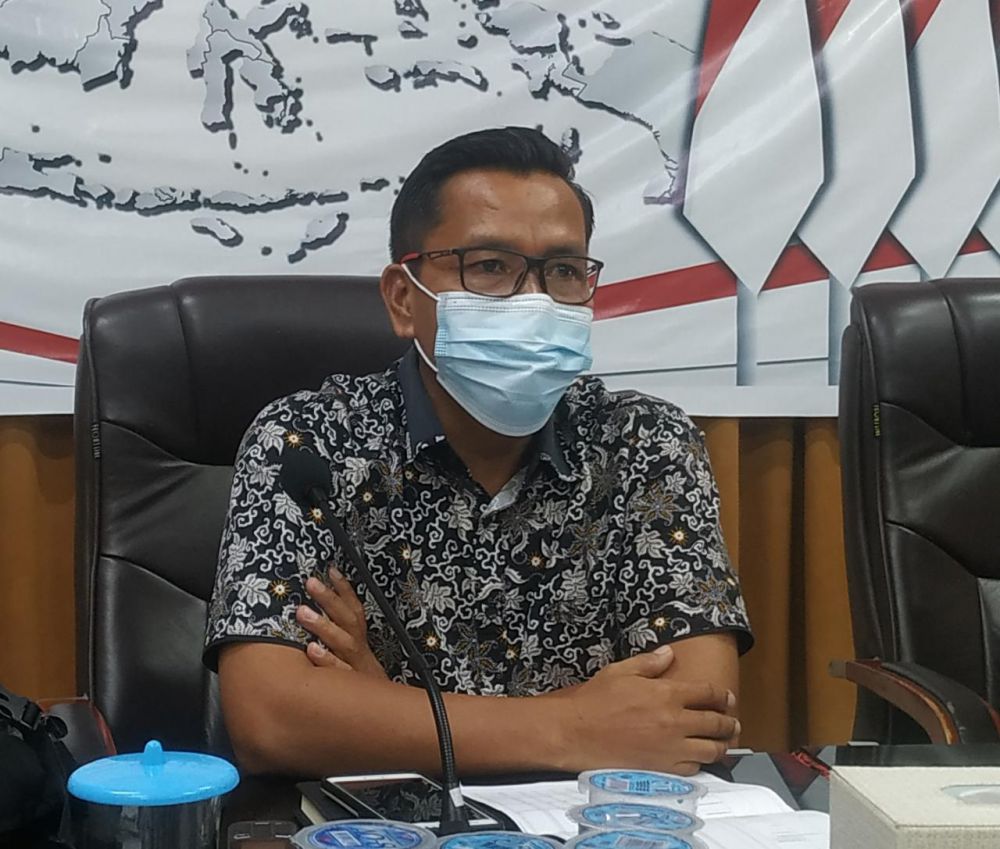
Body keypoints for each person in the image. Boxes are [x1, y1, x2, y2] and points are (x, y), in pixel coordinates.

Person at [205, 126, 753, 778]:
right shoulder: (311, 443)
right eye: (490, 265)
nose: (534, 300)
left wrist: (383, 710)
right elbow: (271, 718)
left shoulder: (645, 442)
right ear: (403, 297)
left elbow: (693, 715)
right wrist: (575, 727)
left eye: (563, 270)